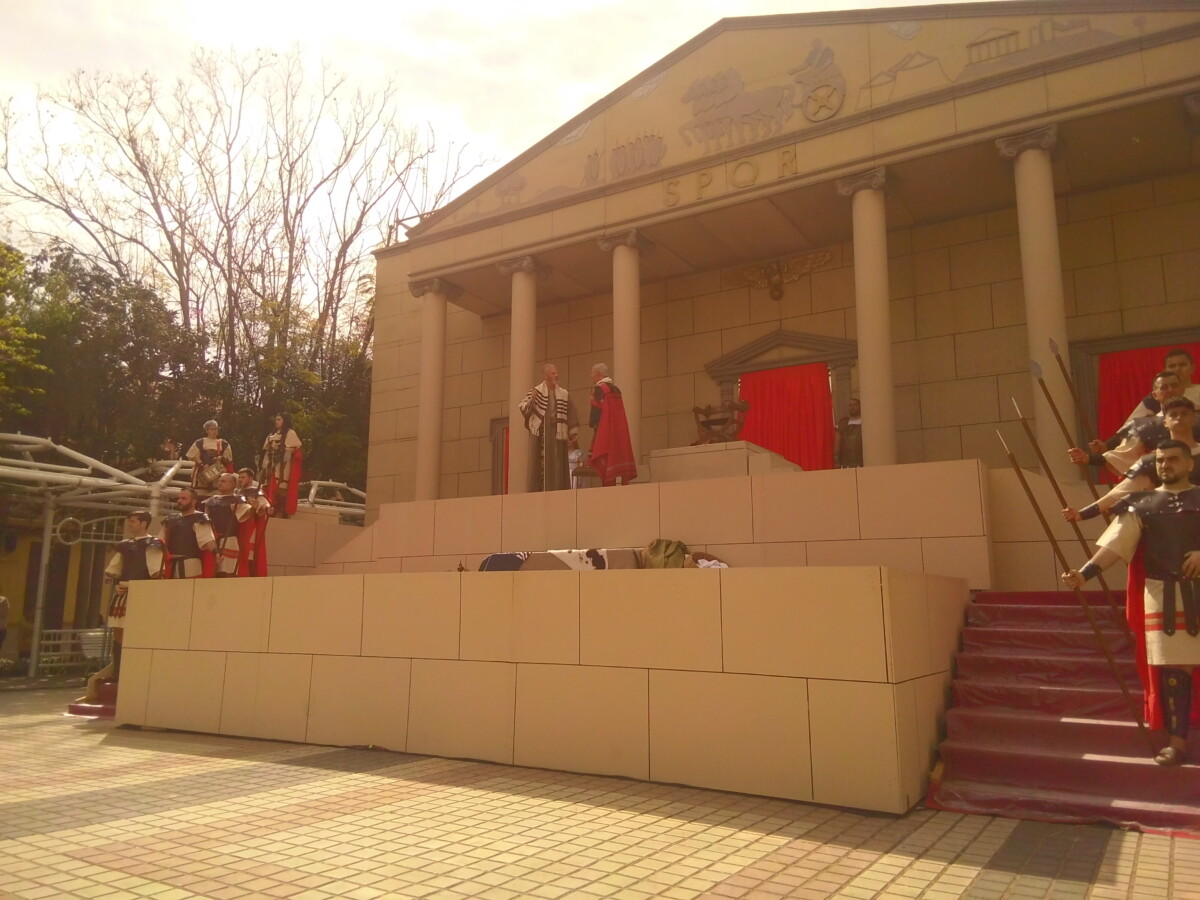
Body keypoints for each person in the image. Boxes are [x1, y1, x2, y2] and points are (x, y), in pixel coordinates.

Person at [1062, 440, 1200, 766]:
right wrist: (1084, 574)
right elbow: (1117, 544)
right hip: (1165, 596)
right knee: (1174, 674)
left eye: (1173, 459)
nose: (1166, 464)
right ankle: (1177, 744)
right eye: (1161, 460)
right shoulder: (1142, 505)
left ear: (1189, 464)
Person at [1064, 397, 1200, 522]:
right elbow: (1117, 494)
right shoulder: (1153, 461)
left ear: (1194, 418)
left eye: (1184, 414)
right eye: (1173, 414)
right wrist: (1082, 514)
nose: (1179, 418)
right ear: (1165, 422)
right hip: (1167, 524)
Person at [85, 511, 164, 701]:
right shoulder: (125, 545)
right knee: (118, 631)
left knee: (140, 632)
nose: (130, 524)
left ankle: (138, 671)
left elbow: (156, 573)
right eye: (129, 521)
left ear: (144, 523)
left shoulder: (153, 544)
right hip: (123, 593)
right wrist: (116, 583)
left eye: (134, 521)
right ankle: (118, 671)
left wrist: (146, 591)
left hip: (143, 595)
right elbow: (113, 570)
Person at [1068, 371, 1180, 477]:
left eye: (1174, 386)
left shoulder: (1196, 419)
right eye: (1164, 387)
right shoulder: (1144, 425)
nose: (1170, 390)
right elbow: (1121, 456)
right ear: (1155, 395)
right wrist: (1088, 459)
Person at [519, 363, 579, 491]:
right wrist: (532, 400)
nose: (556, 375)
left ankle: (557, 489)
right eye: (553, 373)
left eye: (556, 373)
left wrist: (573, 431)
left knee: (557, 464)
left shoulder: (563, 393)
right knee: (540, 464)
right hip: (542, 435)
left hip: (557, 434)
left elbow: (571, 411)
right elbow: (523, 407)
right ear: (546, 376)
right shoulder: (536, 391)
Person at [587, 363, 637, 486]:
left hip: (605, 431)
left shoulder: (599, 390)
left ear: (598, 375)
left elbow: (596, 412)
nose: (591, 376)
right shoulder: (616, 389)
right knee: (618, 456)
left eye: (592, 373)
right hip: (618, 431)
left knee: (606, 460)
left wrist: (592, 424)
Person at [1121, 349, 1200, 425]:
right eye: (1172, 366)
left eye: (1182, 365)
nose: (1177, 369)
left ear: (1192, 368)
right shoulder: (1157, 396)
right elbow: (1130, 426)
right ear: (1165, 370)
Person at [158, 487, 217, 578]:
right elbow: (160, 542)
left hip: (191, 563)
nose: (179, 501)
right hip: (171, 564)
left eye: (184, 498)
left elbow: (208, 539)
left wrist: (216, 553)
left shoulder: (199, 518)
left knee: (191, 590)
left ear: (193, 501)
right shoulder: (170, 519)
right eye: (179, 498)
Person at [202, 473, 254, 577]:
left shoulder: (237, 500)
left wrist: (254, 508)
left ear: (232, 485)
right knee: (210, 572)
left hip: (229, 540)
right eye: (219, 481)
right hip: (212, 541)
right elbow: (205, 520)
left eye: (223, 481)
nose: (220, 483)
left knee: (227, 573)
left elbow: (247, 513)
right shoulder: (211, 500)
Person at [260, 412, 302, 518]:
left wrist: (280, 449)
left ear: (285, 421)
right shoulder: (271, 435)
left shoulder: (290, 433)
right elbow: (265, 451)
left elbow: (292, 451)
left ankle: (281, 512)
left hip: (283, 467)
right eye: (276, 419)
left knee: (281, 491)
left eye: (279, 419)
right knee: (268, 489)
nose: (276, 421)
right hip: (270, 467)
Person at [236, 467, 272, 576]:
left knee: (248, 552)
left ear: (250, 478)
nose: (240, 480)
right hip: (236, 526)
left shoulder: (256, 491)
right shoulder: (236, 491)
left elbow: (263, 503)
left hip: (249, 526)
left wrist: (267, 508)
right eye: (239, 477)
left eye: (243, 477)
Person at [187, 419, 234, 493]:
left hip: (217, 473)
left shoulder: (224, 443)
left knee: (217, 493)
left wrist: (220, 459)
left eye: (216, 429)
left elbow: (228, 459)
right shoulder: (200, 442)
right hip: (202, 473)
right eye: (212, 429)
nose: (214, 431)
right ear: (207, 430)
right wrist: (201, 464)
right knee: (200, 493)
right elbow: (192, 456)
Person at [834, 397, 863, 468]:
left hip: (862, 462)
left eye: (855, 405)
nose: (852, 407)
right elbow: (837, 443)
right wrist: (836, 460)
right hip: (846, 463)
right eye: (850, 405)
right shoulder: (843, 423)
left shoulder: (865, 422)